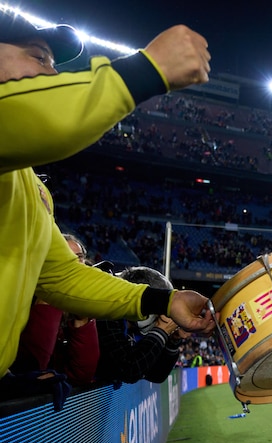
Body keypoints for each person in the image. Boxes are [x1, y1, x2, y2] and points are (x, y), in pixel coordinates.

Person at [0, 13, 215, 380]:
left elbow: (63, 278)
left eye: (54, 64)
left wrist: (164, 301)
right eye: (39, 57)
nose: (53, 75)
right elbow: (52, 120)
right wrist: (148, 69)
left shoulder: (27, 184)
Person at [11, 234, 100, 386]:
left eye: (79, 257)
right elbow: (29, 368)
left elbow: (81, 376)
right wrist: (50, 299)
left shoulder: (86, 305)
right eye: (65, 257)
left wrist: (82, 321)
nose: (75, 264)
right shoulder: (22, 299)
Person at [94, 266, 189, 384]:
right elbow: (129, 370)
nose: (161, 317)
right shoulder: (105, 316)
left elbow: (156, 375)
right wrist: (161, 331)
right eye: (159, 309)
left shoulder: (130, 328)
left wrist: (172, 341)